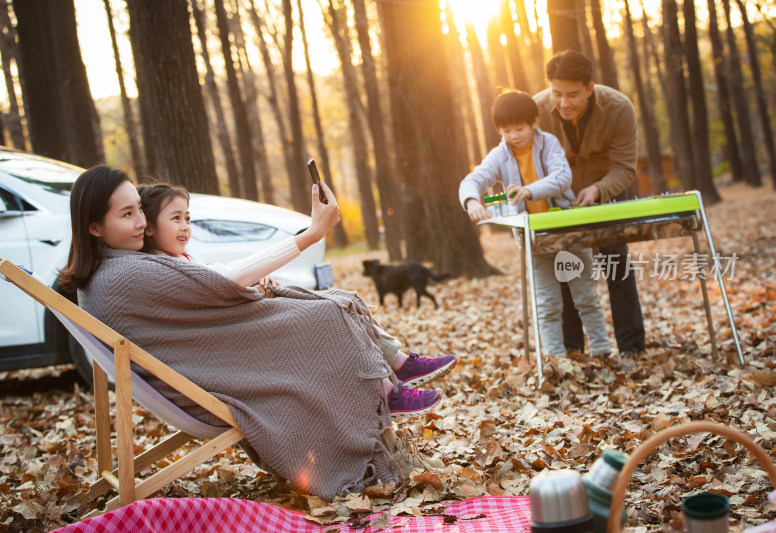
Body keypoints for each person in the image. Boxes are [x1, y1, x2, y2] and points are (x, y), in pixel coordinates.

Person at [59, 166, 454, 500]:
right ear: (94, 226)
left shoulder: (109, 273)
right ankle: (385, 395)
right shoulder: (123, 275)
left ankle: (389, 384)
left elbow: (203, 288)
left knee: (320, 310)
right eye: (127, 215)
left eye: (139, 211)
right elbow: (220, 283)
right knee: (325, 316)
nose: (141, 223)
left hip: (203, 361)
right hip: (207, 377)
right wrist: (311, 234)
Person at [135, 181, 458, 387]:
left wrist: (254, 283)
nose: (185, 226)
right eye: (175, 218)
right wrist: (310, 235)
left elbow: (222, 274)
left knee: (334, 301)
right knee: (328, 310)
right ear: (148, 228)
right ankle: (389, 384)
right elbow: (225, 281)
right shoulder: (162, 268)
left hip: (245, 331)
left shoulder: (183, 260)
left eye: (188, 218)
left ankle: (399, 365)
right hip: (238, 349)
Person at [459, 90, 612, 357]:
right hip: (534, 239)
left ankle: (602, 351)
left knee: (585, 296)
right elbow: (474, 179)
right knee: (547, 303)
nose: (514, 135)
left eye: (520, 128)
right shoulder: (499, 155)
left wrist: (529, 190)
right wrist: (472, 201)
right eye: (506, 130)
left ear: (534, 123)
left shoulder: (549, 143)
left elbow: (562, 177)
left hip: (567, 232)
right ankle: (555, 358)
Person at [534, 50, 646, 356]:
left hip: (606, 188)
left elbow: (625, 168)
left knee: (616, 262)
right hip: (558, 196)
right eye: (557, 94)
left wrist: (597, 190)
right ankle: (572, 349)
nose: (564, 103)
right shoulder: (537, 110)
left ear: (590, 88)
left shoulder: (619, 108)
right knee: (565, 267)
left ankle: (632, 346)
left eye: (573, 95)